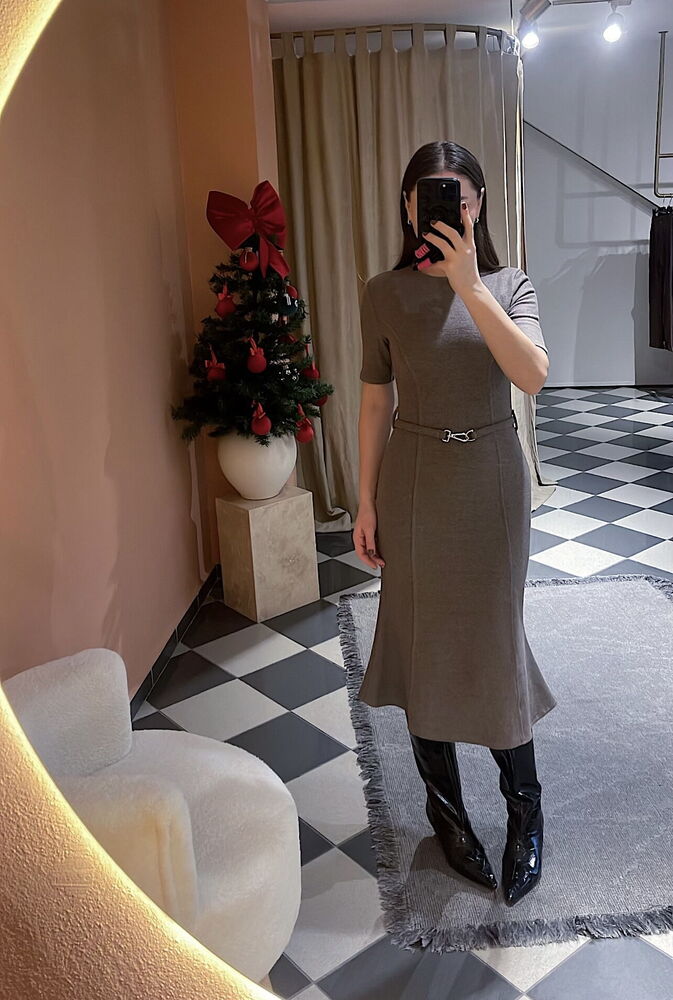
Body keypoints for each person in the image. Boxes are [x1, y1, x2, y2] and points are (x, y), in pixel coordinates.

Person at [353, 140, 558, 907]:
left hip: (490, 479)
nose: (444, 206)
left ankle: (524, 810)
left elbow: (531, 376)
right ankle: (447, 815)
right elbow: (375, 399)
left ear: (477, 205)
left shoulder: (509, 283)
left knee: (494, 639)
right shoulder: (382, 293)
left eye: (458, 195)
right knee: (421, 643)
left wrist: (469, 286)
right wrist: (364, 499)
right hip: (413, 480)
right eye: (428, 195)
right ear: (408, 206)